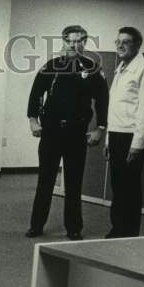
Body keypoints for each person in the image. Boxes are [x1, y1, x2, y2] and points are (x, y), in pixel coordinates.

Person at [25, 24, 108, 241]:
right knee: (45, 180)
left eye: (79, 41)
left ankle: (73, 228)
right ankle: (36, 225)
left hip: (76, 132)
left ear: (85, 42)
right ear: (63, 42)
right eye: (70, 41)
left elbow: (102, 101)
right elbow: (35, 95)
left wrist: (100, 128)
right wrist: (33, 120)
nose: (74, 45)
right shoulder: (51, 66)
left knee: (73, 182)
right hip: (51, 131)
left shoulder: (92, 69)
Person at [104, 26, 144, 238]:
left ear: (137, 45)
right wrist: (109, 140)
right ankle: (117, 229)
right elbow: (116, 109)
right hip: (117, 135)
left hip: (131, 137)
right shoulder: (121, 68)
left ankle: (128, 233)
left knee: (129, 189)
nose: (120, 45)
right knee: (118, 188)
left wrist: (138, 144)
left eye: (125, 42)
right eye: (118, 41)